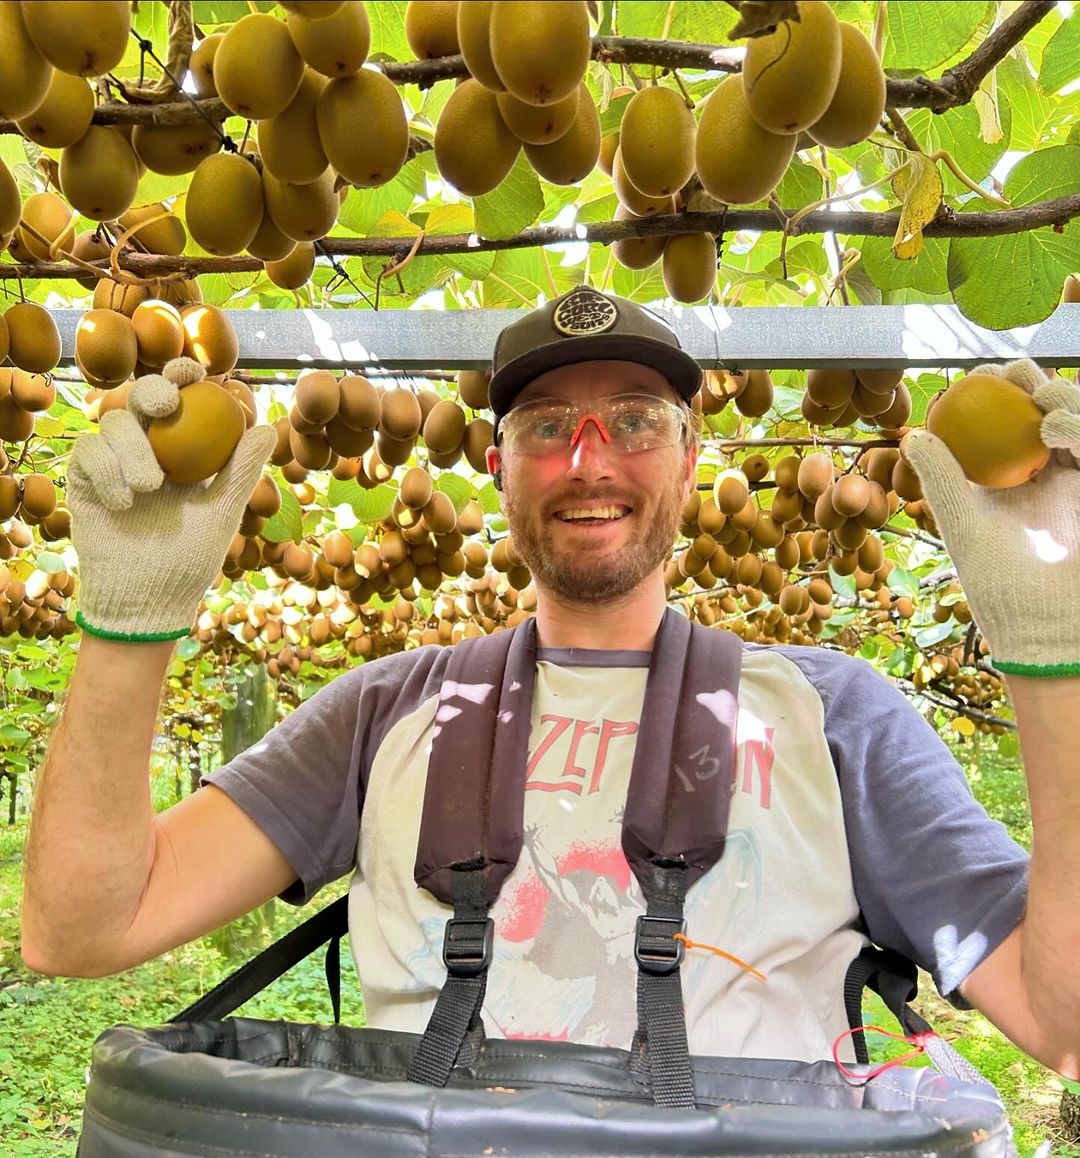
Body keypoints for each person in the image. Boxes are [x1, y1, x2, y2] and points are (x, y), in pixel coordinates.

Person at [19, 286, 1080, 1074]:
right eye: (543, 428)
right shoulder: (387, 712)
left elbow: (1062, 1022)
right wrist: (127, 631)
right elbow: (81, 929)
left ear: (688, 451)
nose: (589, 459)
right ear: (497, 462)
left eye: (634, 419)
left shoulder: (837, 715)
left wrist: (1056, 657)